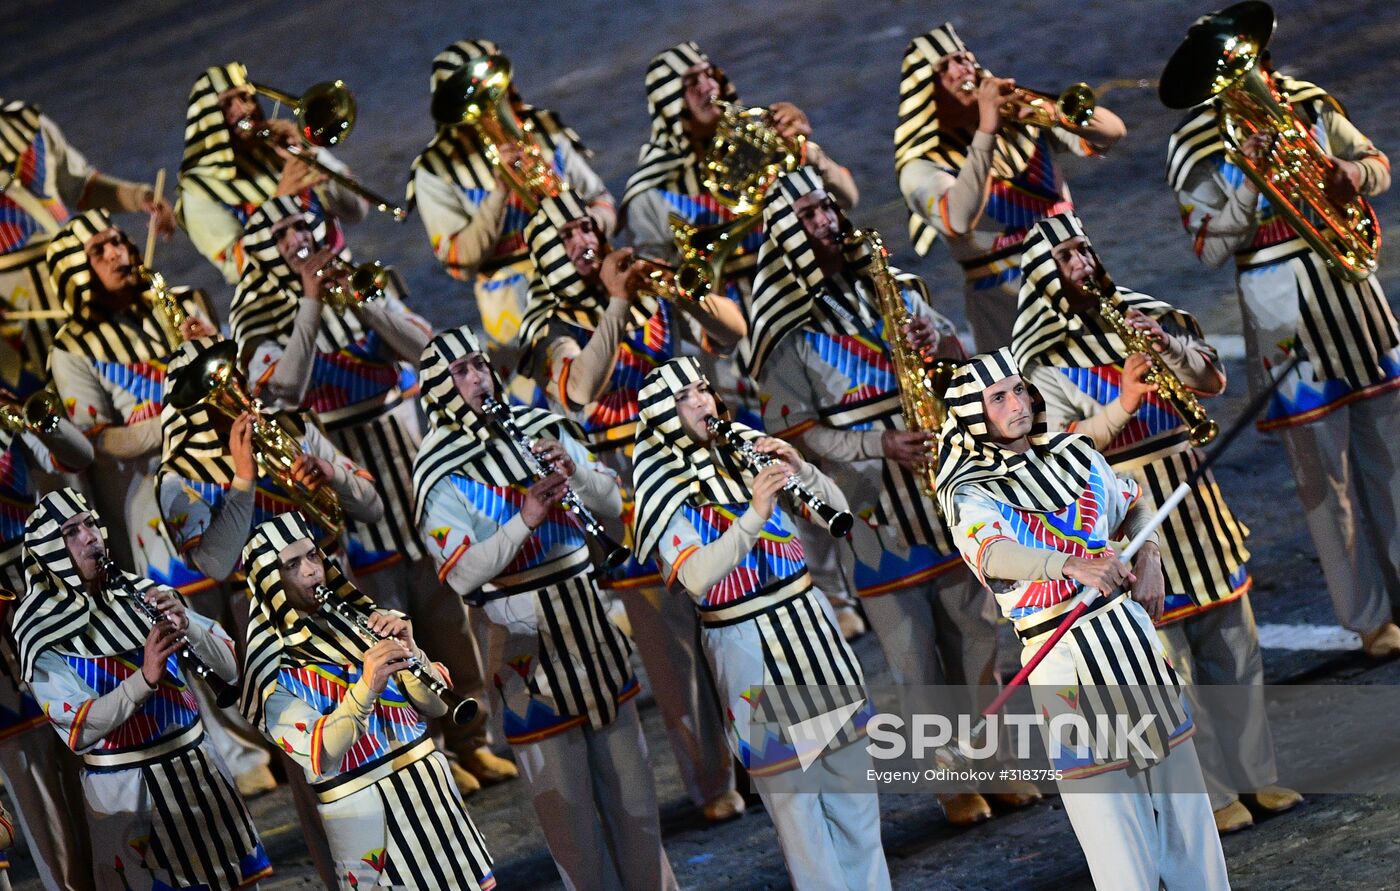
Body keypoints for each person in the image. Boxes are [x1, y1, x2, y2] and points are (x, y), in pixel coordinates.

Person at [746, 167, 1029, 826]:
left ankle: (995, 761)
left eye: (827, 209)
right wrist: (879, 444)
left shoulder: (891, 284)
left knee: (977, 637)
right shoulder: (783, 330)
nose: (827, 223)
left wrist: (942, 344)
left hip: (941, 490)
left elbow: (961, 358)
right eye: (810, 215)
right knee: (913, 656)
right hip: (873, 512)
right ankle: (948, 777)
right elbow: (800, 432)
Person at [1012, 210, 1301, 833]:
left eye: (1085, 252)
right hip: (1125, 518)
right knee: (1168, 662)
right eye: (1066, 260)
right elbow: (1056, 449)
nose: (1083, 267)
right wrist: (1123, 402)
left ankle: (1258, 774)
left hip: (1196, 505)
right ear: (1043, 276)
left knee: (1233, 645)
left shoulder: (1146, 315)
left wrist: (1166, 346)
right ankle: (1213, 791)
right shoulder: (1039, 365)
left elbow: (1213, 379)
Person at [229, 195, 512, 791]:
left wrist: (364, 300)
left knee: (448, 620)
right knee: (381, 621)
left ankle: (472, 737)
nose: (294, 241)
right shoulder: (254, 315)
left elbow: (425, 352)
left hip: (401, 458)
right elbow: (283, 388)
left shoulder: (359, 280)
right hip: (333, 471)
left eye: (297, 228)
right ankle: (427, 749)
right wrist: (310, 301)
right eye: (278, 234)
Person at [936, 348, 1229, 890]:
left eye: (1018, 389)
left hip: (1132, 643)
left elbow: (1134, 501)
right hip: (1063, 659)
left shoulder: (1074, 452)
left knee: (1188, 814)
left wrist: (1151, 555)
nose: (1016, 403)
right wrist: (1068, 563)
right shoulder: (967, 489)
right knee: (1114, 835)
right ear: (975, 414)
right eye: (997, 397)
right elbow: (991, 554)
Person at [412, 326, 676, 890]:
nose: (478, 377)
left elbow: (610, 500)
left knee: (637, 807)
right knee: (573, 829)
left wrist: (575, 470)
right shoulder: (436, 469)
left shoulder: (538, 425)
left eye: (480, 364)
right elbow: (460, 572)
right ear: (438, 386)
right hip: (525, 653)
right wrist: (525, 518)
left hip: (592, 631)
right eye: (460, 372)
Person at [1167, 48, 1400, 658]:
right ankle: (1370, 618)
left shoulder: (1307, 103)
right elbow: (1211, 249)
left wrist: (1356, 176)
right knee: (1325, 479)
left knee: (1392, 454)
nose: (1252, 85)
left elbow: (1376, 162)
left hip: (1355, 299)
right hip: (1280, 313)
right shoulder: (1196, 144)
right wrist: (1246, 178)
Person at [519, 192, 745, 822]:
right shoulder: (549, 324)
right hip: (630, 496)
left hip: (705, 476)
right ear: (546, 252)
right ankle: (712, 779)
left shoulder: (650, 284)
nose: (583, 240)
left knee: (737, 614)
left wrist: (685, 293)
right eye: (566, 235)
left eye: (587, 226)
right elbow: (579, 392)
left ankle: (763, 752)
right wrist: (618, 303)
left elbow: (730, 333)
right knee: (674, 652)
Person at [631, 357, 889, 891]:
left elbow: (836, 514)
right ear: (661, 414)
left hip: (811, 628)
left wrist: (803, 469)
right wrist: (753, 512)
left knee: (857, 802)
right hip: (748, 644)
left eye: (703, 388)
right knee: (802, 821)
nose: (703, 401)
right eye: (685, 398)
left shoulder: (743, 444)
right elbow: (697, 576)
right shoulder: (660, 483)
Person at [45, 212, 277, 800]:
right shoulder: (70, 348)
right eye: (103, 249)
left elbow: (239, 377)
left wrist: (213, 349)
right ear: (79, 271)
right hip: (157, 493)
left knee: (263, 596)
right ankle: (240, 747)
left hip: (236, 466)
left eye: (121, 240)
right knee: (191, 616)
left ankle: (284, 715)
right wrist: (178, 413)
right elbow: (100, 441)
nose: (122, 251)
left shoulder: (183, 299)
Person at [13, 488, 272, 890]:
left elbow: (233, 668)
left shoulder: (139, 590)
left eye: (89, 524)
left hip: (202, 776)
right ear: (48, 551)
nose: (90, 537)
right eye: (71, 532)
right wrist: (144, 678)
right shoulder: (39, 632)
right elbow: (78, 730)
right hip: (130, 798)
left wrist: (188, 624)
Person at [240, 512, 495, 890]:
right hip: (370, 826)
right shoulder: (270, 669)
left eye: (313, 556)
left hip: (432, 799)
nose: (312, 571)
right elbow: (319, 755)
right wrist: (366, 686)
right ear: (268, 582)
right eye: (292, 565)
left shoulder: (368, 619)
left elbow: (435, 707)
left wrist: (413, 653)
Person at [894, 24, 1125, 351]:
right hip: (1007, 307)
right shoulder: (920, 166)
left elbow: (1113, 132)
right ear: (925, 89)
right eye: (945, 66)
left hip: (1077, 277)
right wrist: (987, 130)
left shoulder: (1020, 122)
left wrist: (1053, 113)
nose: (961, 69)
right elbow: (958, 219)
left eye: (963, 58)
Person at [409, 39, 615, 388]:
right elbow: (459, 261)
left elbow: (604, 201)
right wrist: (500, 191)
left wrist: (580, 227)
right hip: (517, 319)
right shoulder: (435, 170)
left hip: (592, 289)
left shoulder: (544, 130)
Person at [0, 341, 94, 891]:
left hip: (39, 595)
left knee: (79, 741)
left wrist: (45, 423)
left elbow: (76, 459)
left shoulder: (8, 411)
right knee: (27, 765)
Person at [0, 98, 175, 377]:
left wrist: (139, 197)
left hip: (83, 275)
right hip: (15, 305)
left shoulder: (30, 126)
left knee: (125, 367)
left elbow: (79, 185)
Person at [177, 63, 368, 284]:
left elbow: (356, 211)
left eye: (245, 98)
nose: (243, 110)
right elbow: (236, 269)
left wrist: (309, 153)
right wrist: (280, 202)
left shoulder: (279, 149)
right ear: (207, 118)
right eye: (227, 104)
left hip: (346, 277)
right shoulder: (198, 191)